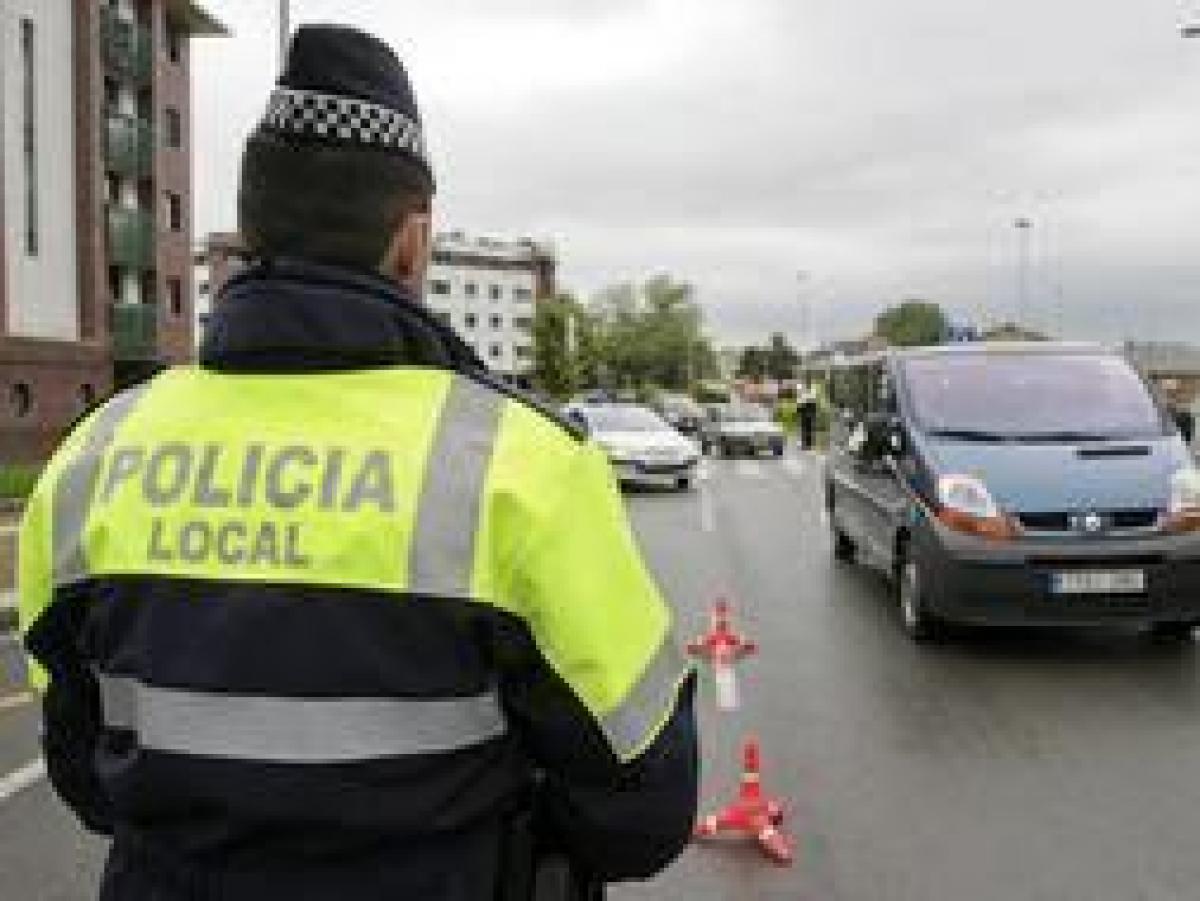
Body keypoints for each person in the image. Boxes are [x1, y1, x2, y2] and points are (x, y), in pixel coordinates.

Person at [18, 25, 697, 901]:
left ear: (248, 233)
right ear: (413, 242)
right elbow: (642, 807)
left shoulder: (94, 457)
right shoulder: (519, 465)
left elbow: (80, 762)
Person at [796, 381, 819, 450]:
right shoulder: (811, 394)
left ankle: (806, 444)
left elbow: (800, 406)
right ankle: (808, 444)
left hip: (806, 413)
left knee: (805, 429)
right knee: (808, 429)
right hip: (808, 414)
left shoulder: (805, 395)